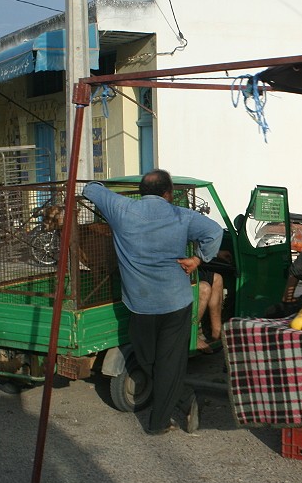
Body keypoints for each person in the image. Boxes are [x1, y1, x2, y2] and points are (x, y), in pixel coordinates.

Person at [83, 170, 223, 435]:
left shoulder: (122, 209)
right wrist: (198, 259)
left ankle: (159, 421)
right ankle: (184, 397)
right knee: (165, 362)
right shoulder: (181, 216)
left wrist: (100, 186)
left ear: (141, 191)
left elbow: (90, 189)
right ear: (168, 193)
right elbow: (214, 232)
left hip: (140, 304)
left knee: (147, 359)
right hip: (175, 302)